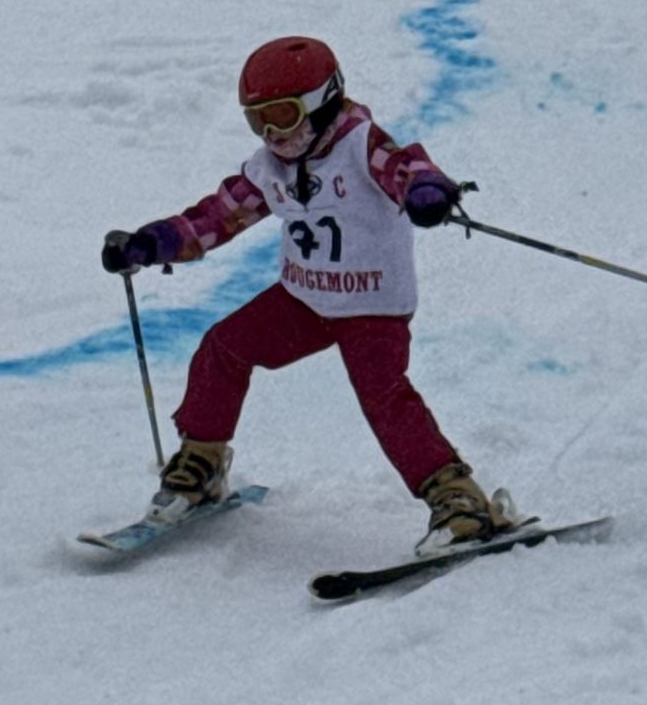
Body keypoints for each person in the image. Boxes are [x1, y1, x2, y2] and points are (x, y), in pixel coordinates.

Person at [101, 34, 520, 557]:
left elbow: (407, 167)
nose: (272, 134)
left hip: (372, 307)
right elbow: (216, 217)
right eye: (258, 120)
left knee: (384, 398)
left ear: (323, 101)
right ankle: (202, 464)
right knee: (223, 348)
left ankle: (459, 501)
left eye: (283, 114)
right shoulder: (270, 168)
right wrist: (150, 243)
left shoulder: (361, 146)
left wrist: (427, 192)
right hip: (303, 300)